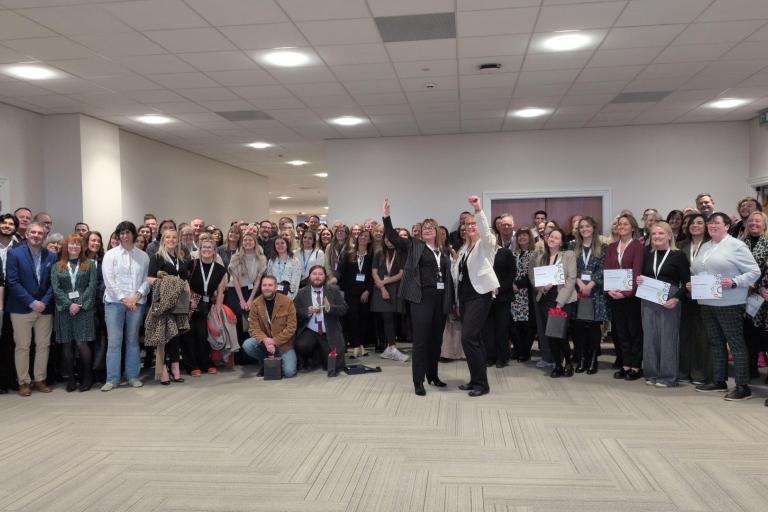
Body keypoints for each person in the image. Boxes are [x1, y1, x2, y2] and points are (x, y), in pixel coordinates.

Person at [383, 198, 453, 396]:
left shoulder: (444, 251)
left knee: (436, 340)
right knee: (421, 341)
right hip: (421, 299)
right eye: (425, 227)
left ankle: (433, 376)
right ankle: (418, 381)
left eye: (431, 227)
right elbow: (393, 238)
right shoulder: (415, 246)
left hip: (440, 298)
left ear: (438, 231)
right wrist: (387, 217)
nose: (427, 230)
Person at [690, 212, 759, 401]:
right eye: (710, 223)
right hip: (706, 301)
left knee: (735, 344)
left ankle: (743, 387)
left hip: (729, 302)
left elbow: (755, 271)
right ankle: (719, 381)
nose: (712, 225)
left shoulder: (736, 246)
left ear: (727, 226)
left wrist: (735, 282)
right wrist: (692, 283)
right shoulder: (705, 245)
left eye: (717, 223)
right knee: (715, 342)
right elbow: (697, 270)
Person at [453, 196, 499, 396]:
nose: (471, 227)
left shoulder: (486, 245)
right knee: (475, 340)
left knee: (468, 338)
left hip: (480, 296)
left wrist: (478, 210)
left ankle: (482, 384)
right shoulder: (465, 248)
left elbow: (486, 233)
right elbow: (460, 274)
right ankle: (476, 380)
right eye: (467, 224)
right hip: (465, 298)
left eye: (473, 224)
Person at [5, 221, 58, 396]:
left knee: (43, 345)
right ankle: (24, 382)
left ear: (44, 236)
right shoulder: (14, 253)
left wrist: (43, 301)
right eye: (33, 232)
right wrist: (31, 302)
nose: (36, 236)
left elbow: (54, 283)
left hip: (45, 308)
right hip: (21, 308)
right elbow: (12, 281)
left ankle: (40, 379)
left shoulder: (51, 256)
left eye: (40, 233)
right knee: (22, 346)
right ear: (26, 234)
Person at [636, 222, 690, 388]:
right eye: (654, 234)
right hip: (648, 298)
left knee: (668, 338)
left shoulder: (678, 255)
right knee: (650, 337)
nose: (657, 237)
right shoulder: (647, 254)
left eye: (661, 233)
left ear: (669, 235)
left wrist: (676, 299)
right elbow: (645, 274)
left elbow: (687, 282)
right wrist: (640, 280)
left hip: (669, 299)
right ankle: (651, 374)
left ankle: (668, 377)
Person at [100, 221, 150, 392]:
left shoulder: (143, 256)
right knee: (114, 342)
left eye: (128, 232)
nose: (125, 236)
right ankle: (112, 379)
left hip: (136, 303)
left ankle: (132, 376)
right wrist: (124, 299)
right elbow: (109, 280)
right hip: (115, 304)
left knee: (132, 340)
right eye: (121, 233)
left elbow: (146, 281)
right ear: (118, 235)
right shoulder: (110, 255)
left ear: (134, 235)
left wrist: (136, 296)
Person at [51, 233, 97, 392]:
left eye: (78, 244)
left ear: (82, 247)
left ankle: (87, 377)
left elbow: (92, 287)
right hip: (64, 311)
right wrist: (69, 304)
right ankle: (71, 378)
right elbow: (56, 289)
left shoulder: (90, 264)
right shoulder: (57, 266)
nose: (74, 247)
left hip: (84, 310)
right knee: (67, 345)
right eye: (71, 244)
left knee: (82, 343)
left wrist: (78, 303)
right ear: (66, 247)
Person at [530, 228, 578, 377]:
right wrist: (541, 287)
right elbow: (533, 277)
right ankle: (557, 365)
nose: (552, 239)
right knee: (550, 334)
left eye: (557, 238)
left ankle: (568, 362)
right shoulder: (540, 257)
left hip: (563, 300)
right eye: (551, 236)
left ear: (562, 242)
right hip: (545, 299)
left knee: (560, 334)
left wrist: (560, 302)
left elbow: (571, 279)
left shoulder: (568, 255)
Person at [604, 213, 645, 380]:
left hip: (631, 297)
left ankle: (635, 366)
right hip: (614, 296)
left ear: (633, 227)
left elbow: (637, 271)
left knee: (634, 332)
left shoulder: (638, 246)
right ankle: (625, 364)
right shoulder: (612, 247)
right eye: (619, 224)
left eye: (625, 224)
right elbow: (607, 270)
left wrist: (627, 293)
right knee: (620, 332)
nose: (621, 226)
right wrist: (609, 291)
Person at [147, 228, 189, 385]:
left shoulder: (180, 258)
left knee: (176, 336)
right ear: (163, 239)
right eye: (168, 237)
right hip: (163, 302)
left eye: (174, 237)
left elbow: (184, 280)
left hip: (180, 301)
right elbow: (150, 279)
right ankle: (163, 370)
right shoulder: (156, 257)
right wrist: (169, 283)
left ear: (178, 240)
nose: (171, 240)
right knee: (164, 336)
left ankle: (175, 368)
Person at [677, 213, 712, 386]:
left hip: (705, 295)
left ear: (706, 226)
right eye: (692, 223)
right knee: (684, 334)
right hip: (685, 295)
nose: (695, 225)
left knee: (702, 335)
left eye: (700, 223)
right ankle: (683, 371)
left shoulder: (712, 245)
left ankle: (700, 373)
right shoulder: (680, 245)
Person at [293, 265, 348, 376]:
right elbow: (295, 311)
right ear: (309, 277)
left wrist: (330, 308)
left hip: (329, 331)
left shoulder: (334, 290)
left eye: (320, 274)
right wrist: (306, 311)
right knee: (301, 345)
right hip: (310, 331)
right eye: (314, 274)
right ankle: (311, 358)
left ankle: (319, 357)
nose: (317, 277)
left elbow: (344, 309)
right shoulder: (302, 292)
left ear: (325, 277)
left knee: (333, 366)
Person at [184, 238, 228, 376]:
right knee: (190, 335)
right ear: (200, 250)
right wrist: (191, 299)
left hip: (207, 304)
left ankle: (206, 363)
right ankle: (192, 365)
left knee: (204, 335)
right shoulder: (192, 264)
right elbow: (184, 282)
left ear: (215, 251)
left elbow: (221, 293)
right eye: (204, 247)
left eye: (210, 247)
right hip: (191, 302)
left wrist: (217, 311)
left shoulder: (221, 269)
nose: (207, 250)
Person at [572, 217, 608, 375]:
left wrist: (592, 284)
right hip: (579, 292)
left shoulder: (604, 247)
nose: (584, 229)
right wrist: (580, 283)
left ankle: (593, 361)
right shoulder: (573, 247)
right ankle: (581, 360)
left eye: (587, 226)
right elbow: (571, 269)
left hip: (596, 293)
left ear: (594, 227)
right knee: (579, 328)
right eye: (581, 227)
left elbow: (604, 268)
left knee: (594, 328)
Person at [242, 275, 298, 378]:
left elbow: (291, 328)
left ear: (276, 287)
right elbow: (253, 328)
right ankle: (267, 361)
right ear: (261, 287)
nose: (267, 288)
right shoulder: (255, 304)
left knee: (289, 372)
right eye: (264, 285)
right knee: (247, 344)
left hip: (284, 345)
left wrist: (274, 341)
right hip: (265, 344)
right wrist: (265, 340)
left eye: (270, 285)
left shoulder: (287, 302)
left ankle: (276, 363)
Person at [483, 217, 516, 369]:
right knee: (488, 329)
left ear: (496, 237)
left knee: (502, 328)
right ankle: (490, 357)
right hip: (485, 296)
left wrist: (499, 288)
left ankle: (502, 358)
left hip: (503, 296)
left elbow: (511, 274)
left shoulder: (505, 253)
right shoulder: (481, 256)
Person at [371, 232, 408, 362]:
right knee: (387, 318)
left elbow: (402, 274)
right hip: (381, 289)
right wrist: (381, 287)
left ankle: (389, 348)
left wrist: (384, 282)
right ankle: (392, 348)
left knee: (393, 318)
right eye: (386, 238)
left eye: (390, 238)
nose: (387, 240)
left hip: (395, 288)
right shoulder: (379, 252)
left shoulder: (401, 253)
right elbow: (374, 272)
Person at [337, 229, 374, 358]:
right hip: (350, 293)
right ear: (357, 238)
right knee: (353, 319)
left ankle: (362, 345)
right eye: (361, 236)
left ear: (370, 240)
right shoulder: (348, 254)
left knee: (364, 319)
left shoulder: (372, 256)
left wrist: (368, 291)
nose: (363, 238)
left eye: (366, 236)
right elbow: (341, 273)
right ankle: (356, 345)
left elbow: (373, 276)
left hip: (365, 293)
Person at [226, 232, 267, 346]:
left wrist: (250, 300)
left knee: (253, 319)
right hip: (236, 292)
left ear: (255, 243)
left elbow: (258, 280)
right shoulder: (235, 257)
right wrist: (242, 300)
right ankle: (239, 355)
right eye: (245, 240)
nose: (247, 242)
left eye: (250, 240)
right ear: (242, 243)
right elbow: (235, 280)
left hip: (252, 291)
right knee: (238, 319)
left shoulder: (261, 258)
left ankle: (251, 352)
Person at [741, 211, 768, 380]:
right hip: (742, 294)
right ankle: (750, 368)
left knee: (763, 335)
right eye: (751, 221)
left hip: (763, 296)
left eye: (758, 221)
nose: (753, 224)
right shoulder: (740, 243)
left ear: (764, 225)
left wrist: (757, 285)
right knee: (746, 333)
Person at [511, 228, 536, 362]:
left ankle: (526, 352)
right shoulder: (513, 254)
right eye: (520, 236)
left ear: (530, 238)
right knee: (515, 324)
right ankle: (518, 349)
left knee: (527, 325)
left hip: (527, 293)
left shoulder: (535, 254)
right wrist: (510, 284)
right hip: (514, 296)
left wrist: (518, 284)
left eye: (525, 235)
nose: (522, 238)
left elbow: (533, 275)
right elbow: (508, 271)